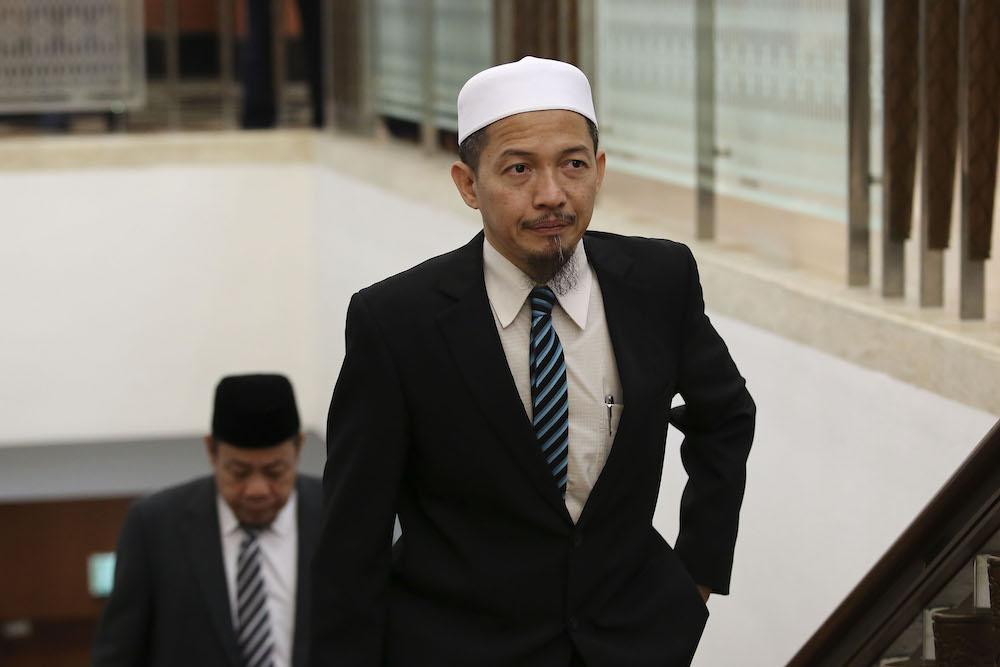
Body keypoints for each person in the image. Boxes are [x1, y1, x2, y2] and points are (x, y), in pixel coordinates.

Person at [311, 57, 755, 667]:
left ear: (599, 170)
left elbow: (725, 415)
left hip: (629, 646)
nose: (551, 195)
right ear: (468, 184)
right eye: (518, 169)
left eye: (573, 165)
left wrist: (696, 574)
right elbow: (352, 538)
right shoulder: (397, 323)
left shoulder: (658, 280)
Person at [92, 374, 323, 667]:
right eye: (239, 473)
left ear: (299, 448)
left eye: (275, 472)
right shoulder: (154, 527)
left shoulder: (338, 517)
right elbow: (118, 654)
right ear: (211, 451)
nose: (257, 490)